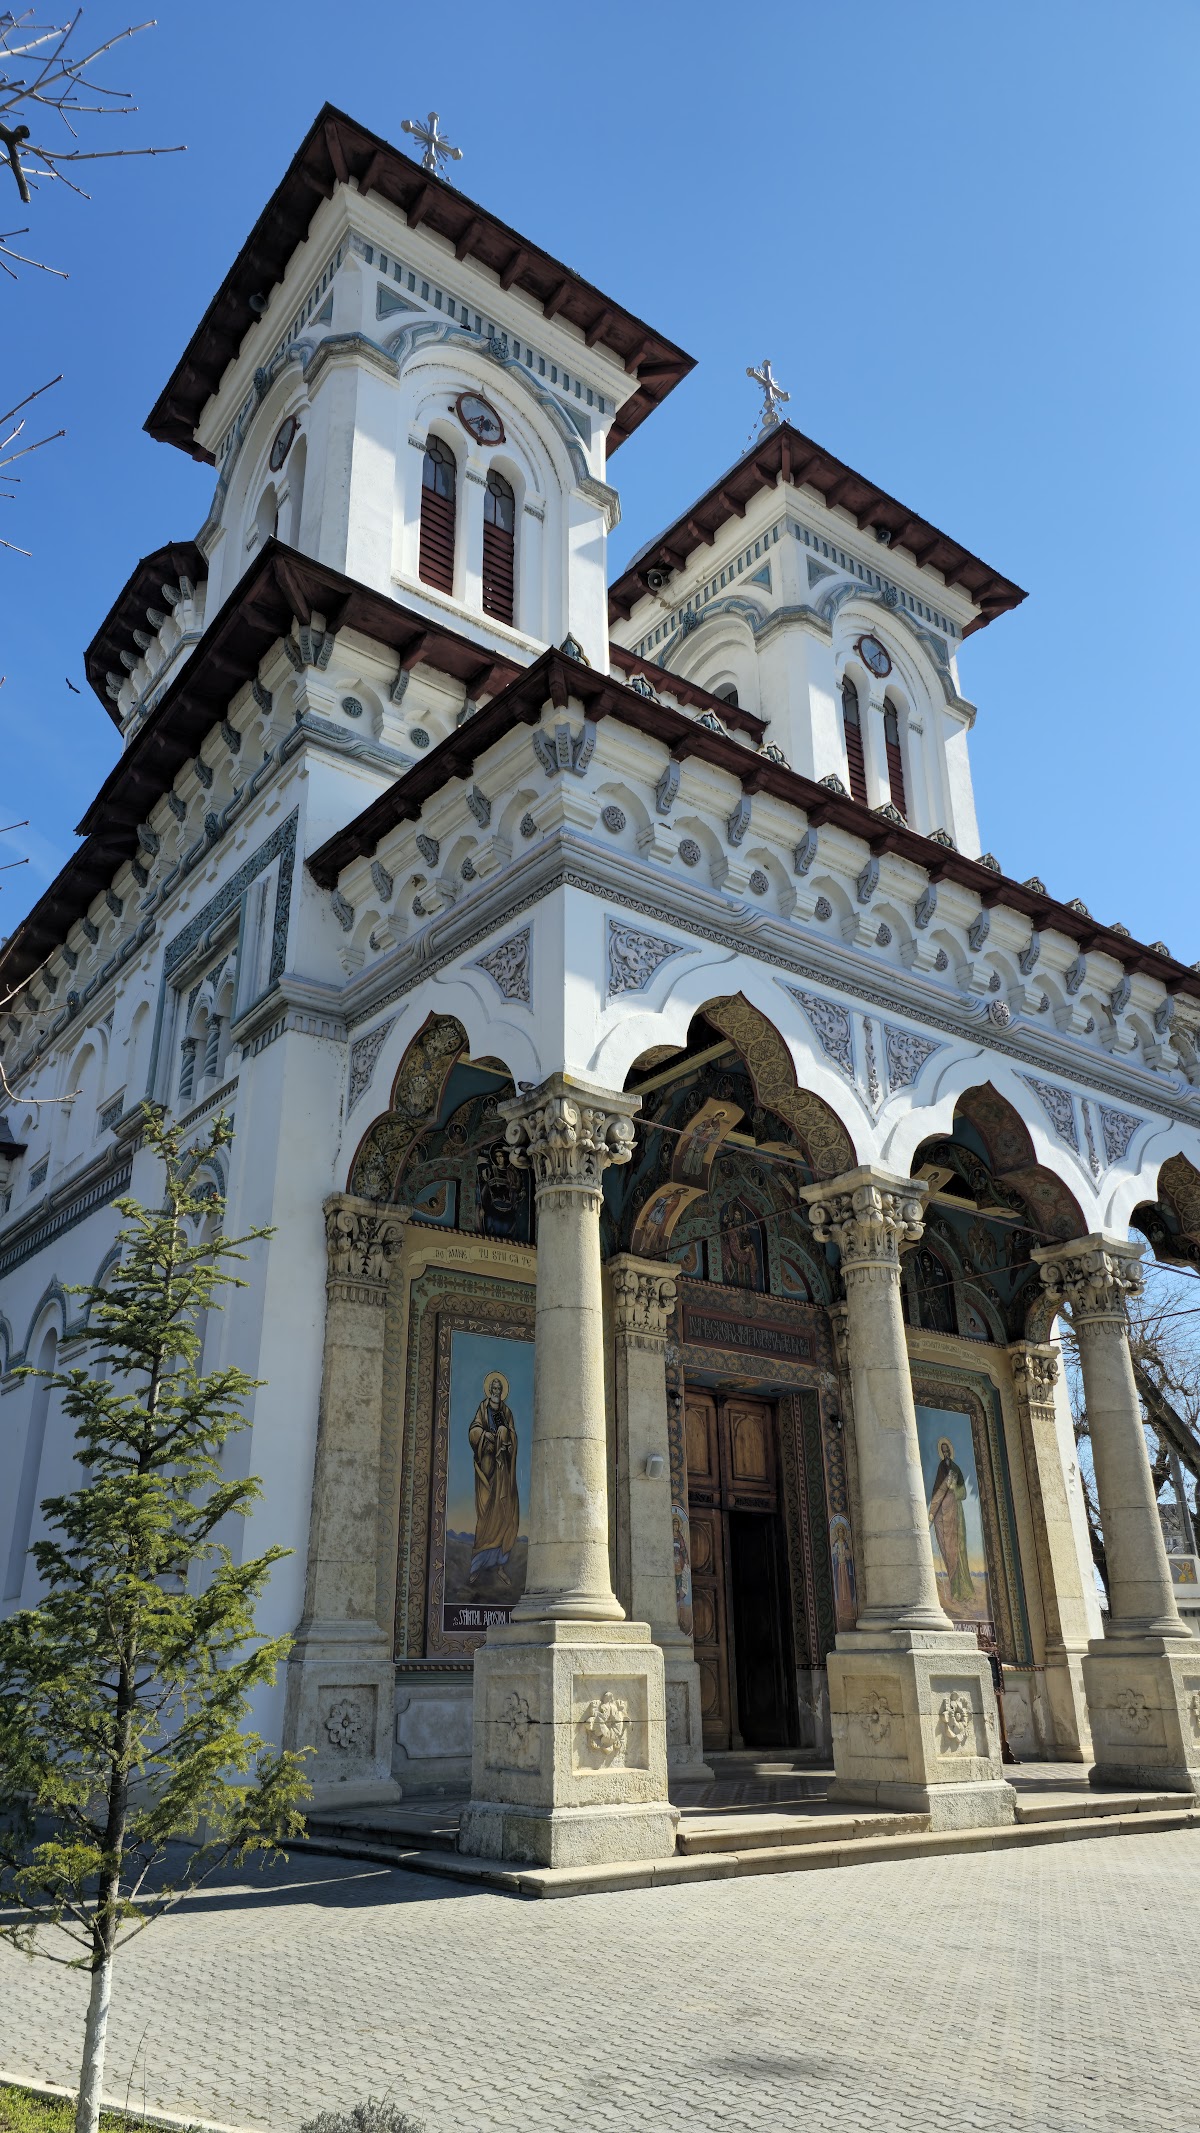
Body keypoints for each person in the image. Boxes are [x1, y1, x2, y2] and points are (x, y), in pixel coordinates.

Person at [468, 1373, 520, 1586]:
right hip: (486, 1466)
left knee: (504, 1514)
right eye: (494, 1388)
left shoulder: (506, 1412)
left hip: (503, 1471)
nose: (497, 1391)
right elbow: (473, 1430)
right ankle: (476, 1566)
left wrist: (503, 1434)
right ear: (490, 1390)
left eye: (499, 1388)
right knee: (485, 1516)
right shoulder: (483, 1408)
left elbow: (513, 1437)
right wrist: (484, 1435)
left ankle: (500, 1566)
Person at [928, 1435, 976, 1609]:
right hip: (943, 1516)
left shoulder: (955, 1469)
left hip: (955, 1515)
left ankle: (965, 1591)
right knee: (948, 1553)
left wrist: (953, 1487)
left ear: (951, 1452)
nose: (946, 1453)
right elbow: (937, 1490)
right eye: (943, 1451)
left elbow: (963, 1492)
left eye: (947, 1450)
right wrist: (933, 1511)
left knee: (959, 1552)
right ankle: (955, 1590)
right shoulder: (942, 1468)